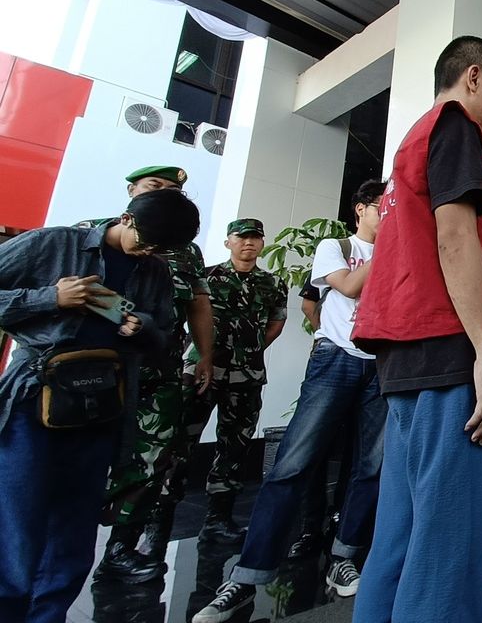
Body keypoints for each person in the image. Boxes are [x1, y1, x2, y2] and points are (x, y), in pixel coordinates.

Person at [349, 35, 482, 623]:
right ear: (474, 78)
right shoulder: (455, 127)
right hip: (452, 352)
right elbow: (455, 238)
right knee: (454, 546)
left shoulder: (414, 140)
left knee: (400, 539)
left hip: (408, 359)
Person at [0, 189, 200, 623]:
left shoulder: (155, 270)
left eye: (161, 250)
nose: (149, 253)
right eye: (145, 242)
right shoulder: (54, 244)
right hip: (35, 401)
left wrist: (140, 327)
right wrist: (50, 299)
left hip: (102, 405)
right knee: (17, 531)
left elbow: (164, 335)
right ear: (126, 218)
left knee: (74, 535)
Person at [192, 181, 386, 623]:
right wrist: (329, 335)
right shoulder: (335, 246)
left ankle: (344, 556)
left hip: (383, 365)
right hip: (335, 361)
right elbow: (347, 290)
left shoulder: (400, 247)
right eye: (383, 206)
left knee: (371, 467)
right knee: (293, 463)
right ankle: (247, 576)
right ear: (361, 209)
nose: (390, 212)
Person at [78, 165, 215, 583]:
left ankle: (120, 547)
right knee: (83, 453)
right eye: (156, 187)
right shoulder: (90, 232)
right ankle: (68, 539)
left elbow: (197, 304)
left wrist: (203, 355)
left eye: (173, 190)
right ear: (133, 192)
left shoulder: (184, 250)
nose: (166, 193)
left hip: (161, 362)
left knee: (153, 459)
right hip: (97, 368)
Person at [162, 218, 288, 545]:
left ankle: (219, 519)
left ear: (262, 243)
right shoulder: (206, 277)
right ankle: (158, 519)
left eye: (255, 238)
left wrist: (252, 349)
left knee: (235, 446)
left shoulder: (271, 283)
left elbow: (276, 321)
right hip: (202, 372)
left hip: (246, 376)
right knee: (181, 443)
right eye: (241, 237)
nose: (248, 243)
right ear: (228, 242)